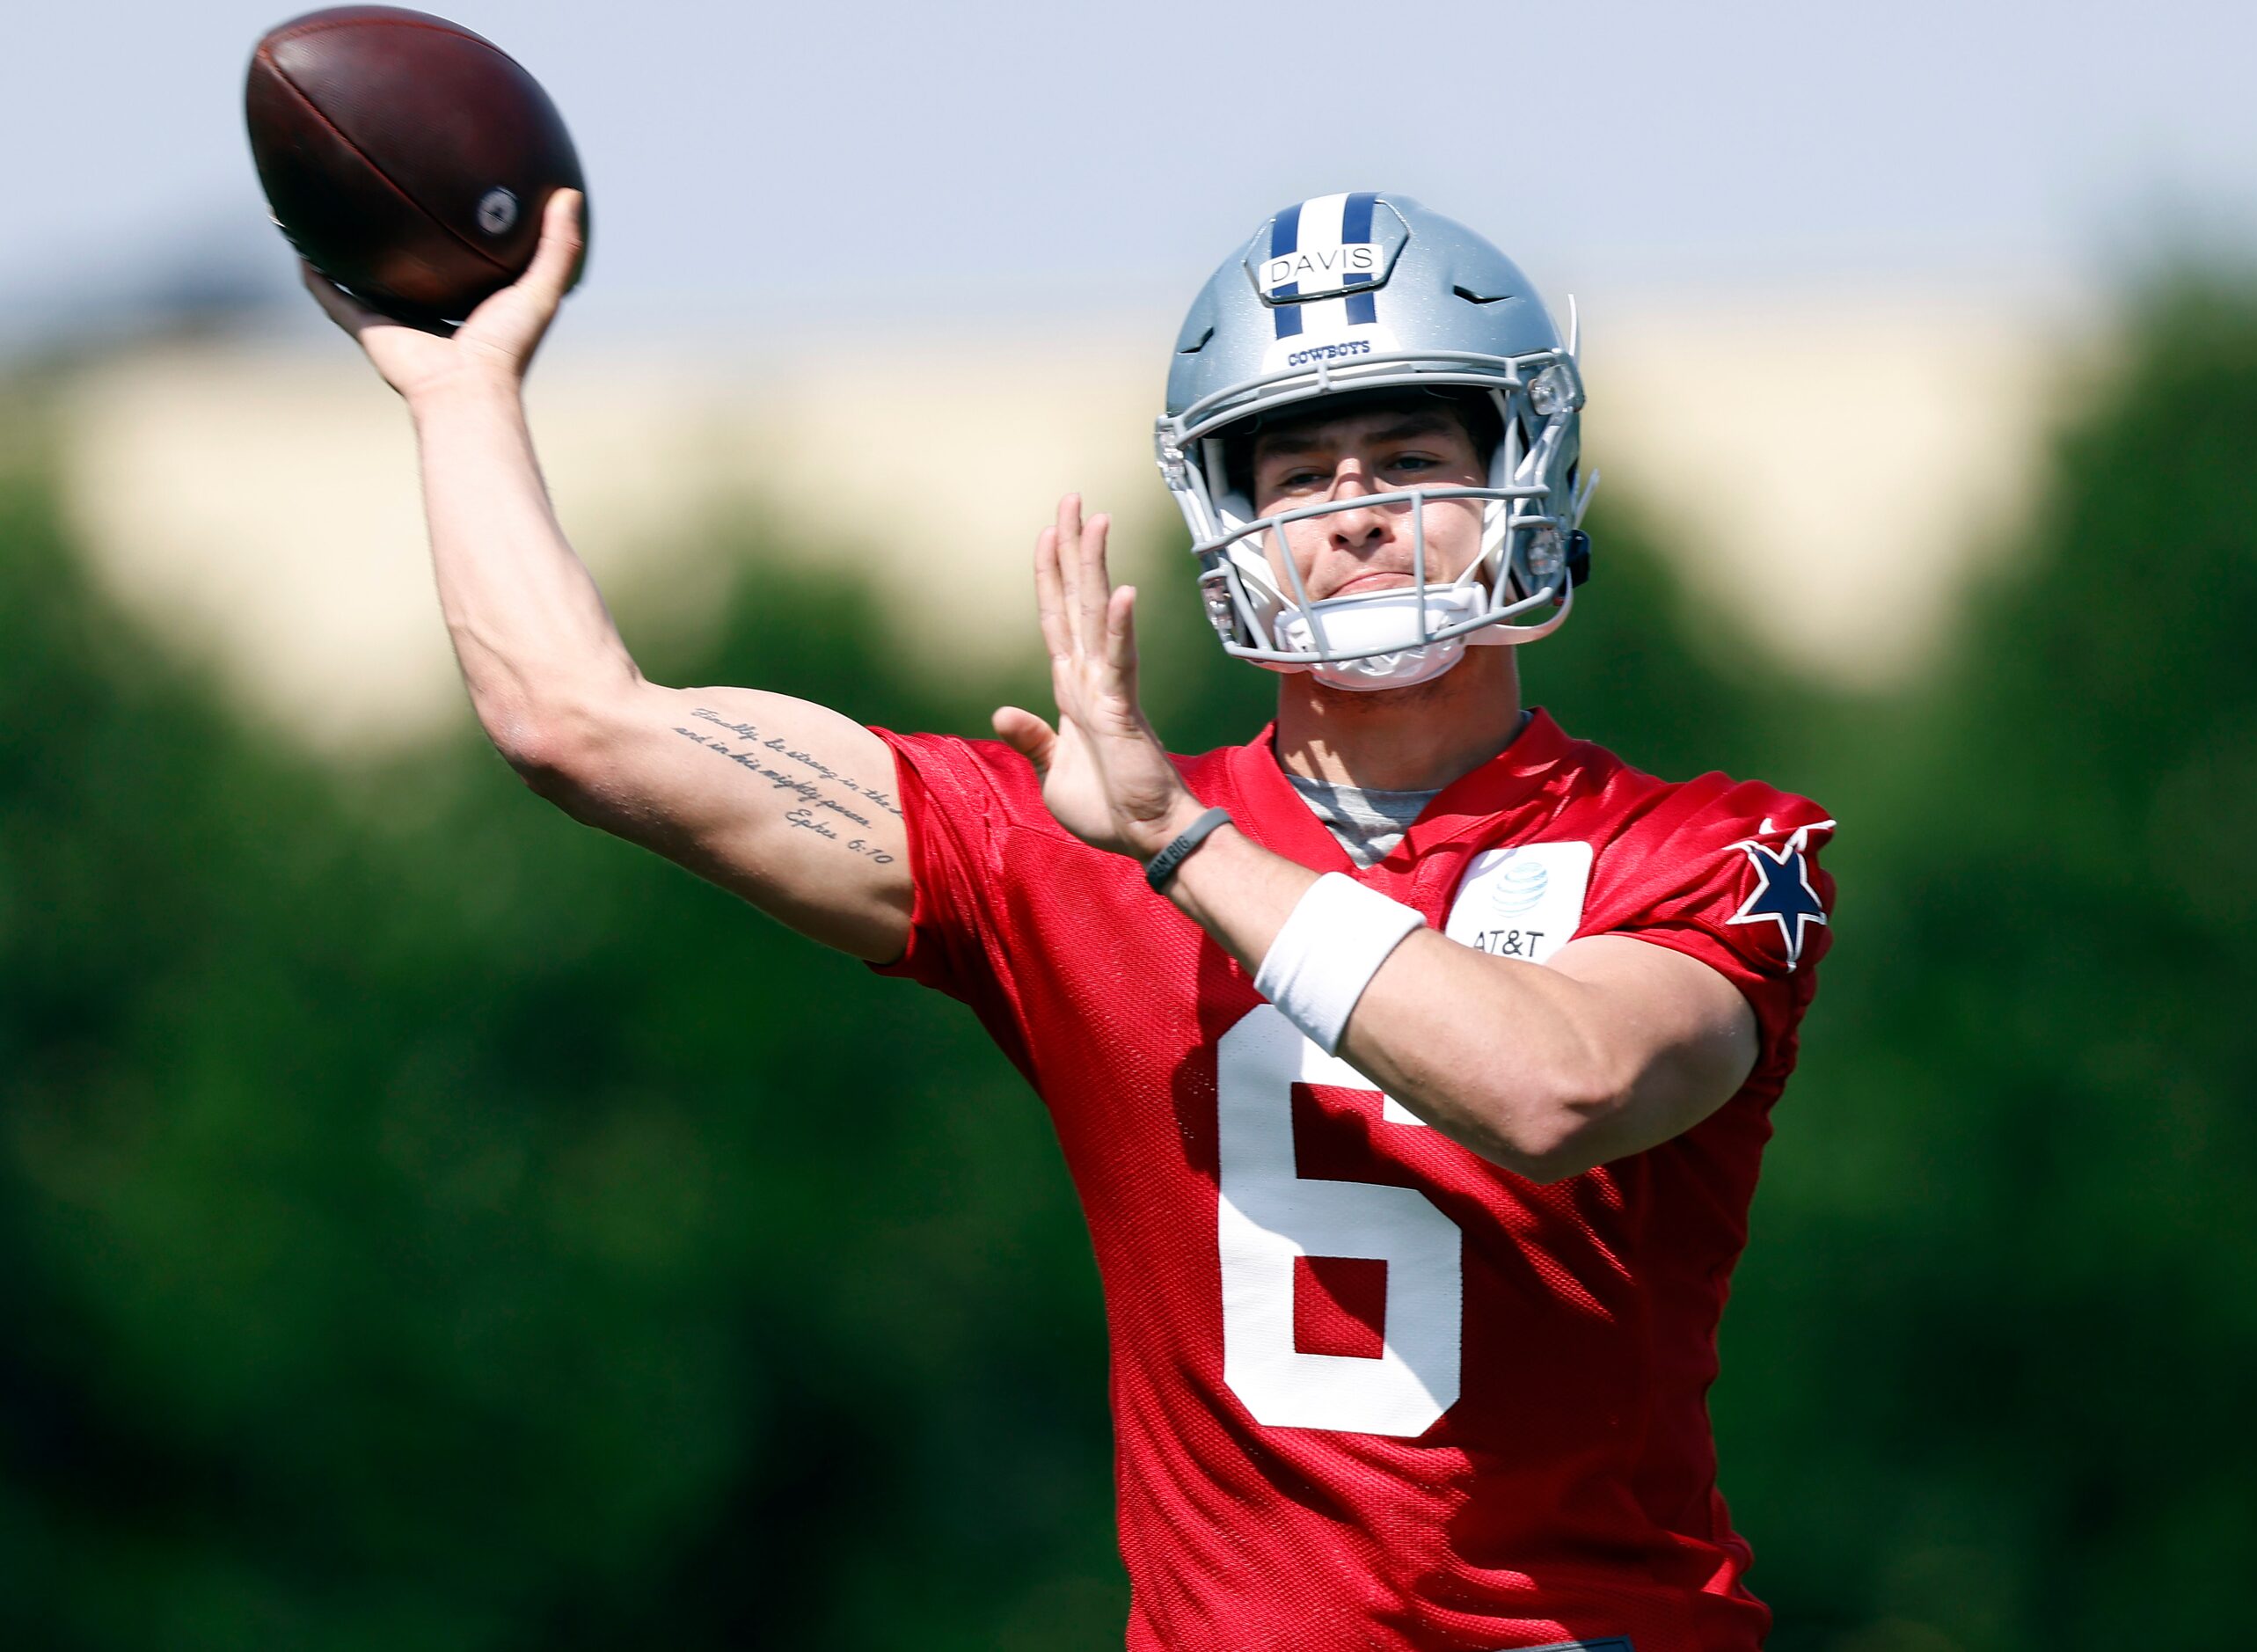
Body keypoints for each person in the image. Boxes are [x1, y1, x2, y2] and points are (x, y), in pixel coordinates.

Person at [309, 186, 1837, 1652]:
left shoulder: (1706, 844)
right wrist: (462, 402)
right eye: (1299, 475)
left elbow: (1552, 1083)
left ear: (1526, 464)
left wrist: (1180, 841)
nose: (1356, 514)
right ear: (1226, 515)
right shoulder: (1065, 835)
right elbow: (584, 725)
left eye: (1409, 454)